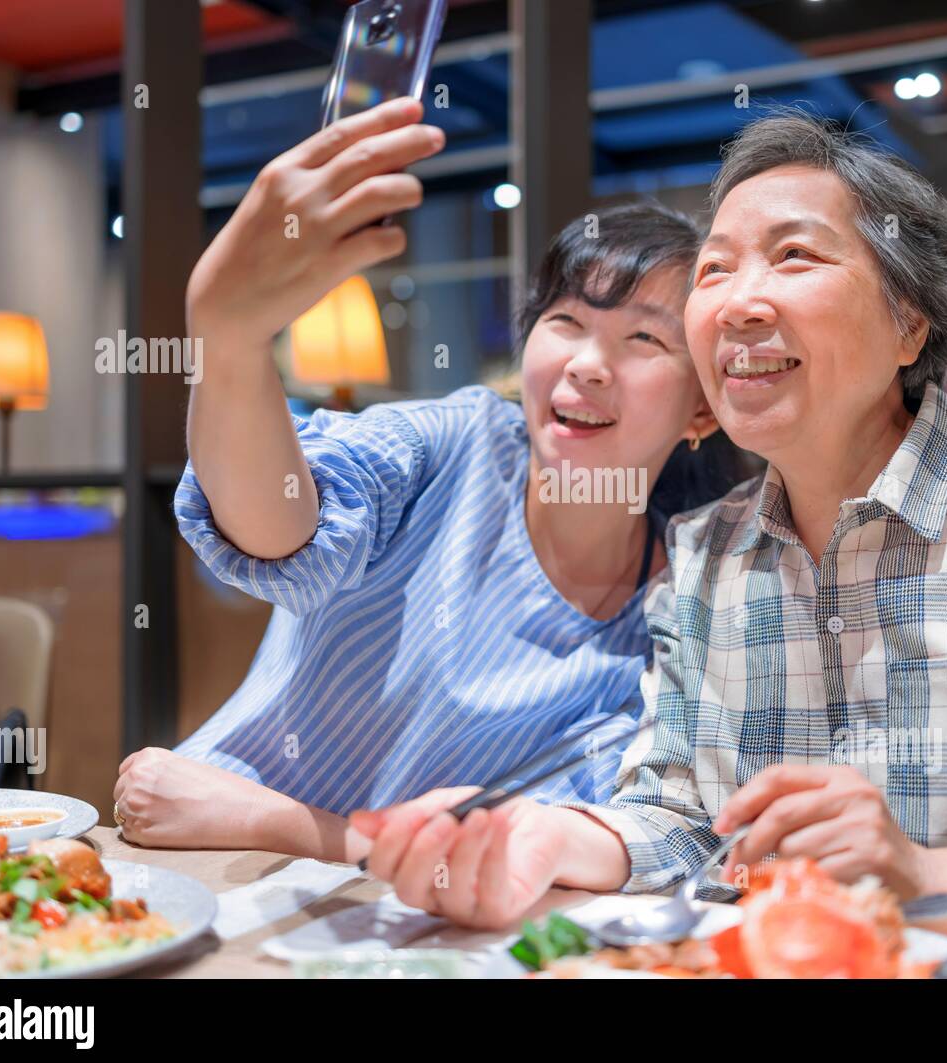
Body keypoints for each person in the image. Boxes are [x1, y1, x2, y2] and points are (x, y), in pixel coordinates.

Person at [361, 107, 947, 952]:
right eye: (714, 270)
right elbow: (677, 818)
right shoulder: (705, 554)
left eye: (793, 257)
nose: (740, 303)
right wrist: (545, 835)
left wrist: (931, 875)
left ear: (908, 323)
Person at [112, 97, 751, 862]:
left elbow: (533, 853)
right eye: (565, 322)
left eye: (643, 337)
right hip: (206, 869)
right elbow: (275, 529)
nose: (586, 362)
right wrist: (231, 337)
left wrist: (282, 821)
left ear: (702, 413)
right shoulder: (455, 443)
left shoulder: (673, 614)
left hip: (423, 935)